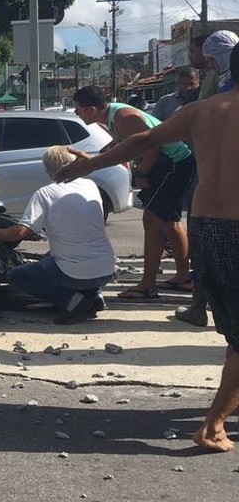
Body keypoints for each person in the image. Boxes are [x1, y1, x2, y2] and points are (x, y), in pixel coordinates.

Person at [57, 45, 239, 453]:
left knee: (234, 332)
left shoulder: (201, 110)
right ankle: (212, 425)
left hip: (208, 229)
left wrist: (86, 165)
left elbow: (143, 140)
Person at [70, 85, 195, 299]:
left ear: (90, 109)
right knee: (168, 221)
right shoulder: (110, 118)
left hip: (174, 162)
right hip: (168, 164)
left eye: (78, 110)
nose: (76, 114)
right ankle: (182, 278)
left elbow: (152, 147)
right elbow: (124, 144)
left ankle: (148, 284)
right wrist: (99, 155)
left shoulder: (123, 116)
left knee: (153, 219)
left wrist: (140, 174)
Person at [0, 146, 115, 324]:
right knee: (59, 260)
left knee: (17, 276)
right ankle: (96, 296)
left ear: (48, 170)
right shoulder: (91, 185)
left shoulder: (45, 193)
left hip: (74, 274)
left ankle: (74, 302)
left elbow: (21, 232)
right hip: (106, 268)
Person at [176, 31, 239, 328]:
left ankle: (200, 307)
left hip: (211, 173)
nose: (193, 59)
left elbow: (150, 138)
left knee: (206, 248)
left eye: (195, 53)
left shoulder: (220, 81)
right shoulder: (224, 76)